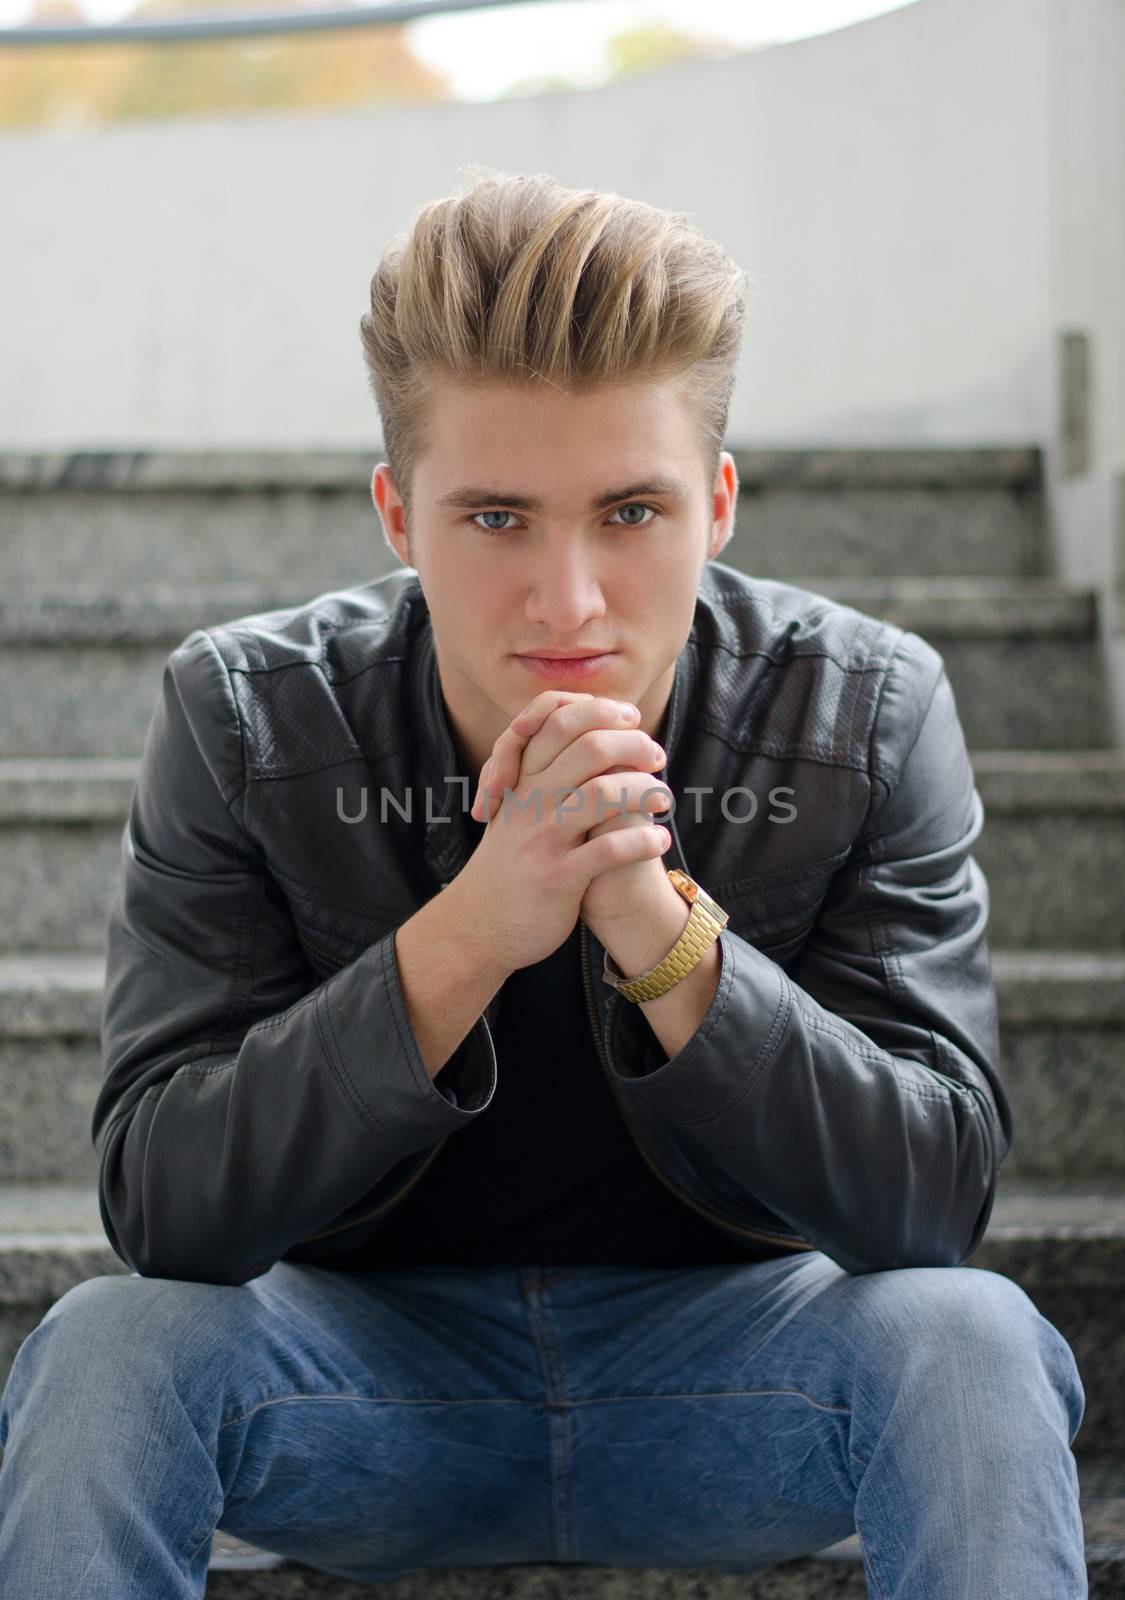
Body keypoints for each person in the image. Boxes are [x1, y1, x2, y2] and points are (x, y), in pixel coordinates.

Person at [0, 167, 1086, 1597]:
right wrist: (464, 938)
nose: (566, 602)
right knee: (104, 1348)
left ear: (716, 504)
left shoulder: (863, 710)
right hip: (359, 1398)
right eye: (496, 519)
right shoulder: (245, 715)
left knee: (968, 1336)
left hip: (742, 1386)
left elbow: (926, 1203)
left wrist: (652, 920)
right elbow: (167, 1210)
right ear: (398, 513)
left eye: (629, 514)